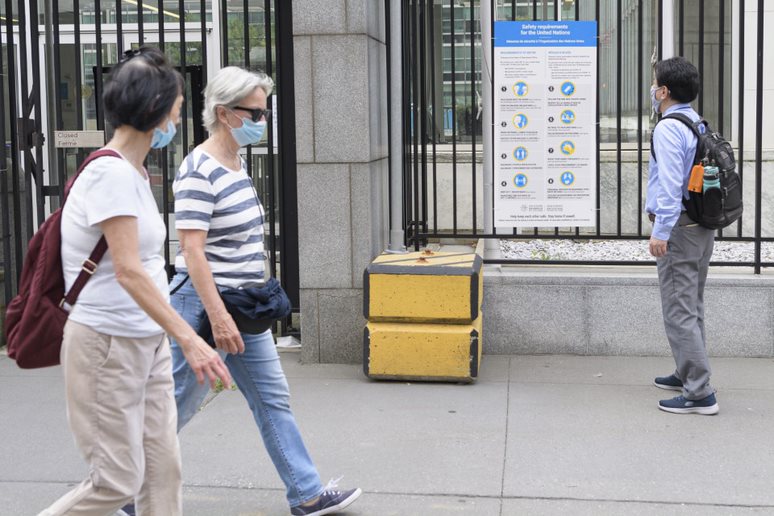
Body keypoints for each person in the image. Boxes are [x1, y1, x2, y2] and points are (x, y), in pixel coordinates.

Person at [122, 66, 361, 516]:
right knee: (176, 405)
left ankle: (306, 494)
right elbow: (192, 251)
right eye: (255, 111)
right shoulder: (199, 169)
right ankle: (122, 493)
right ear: (224, 113)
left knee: (272, 399)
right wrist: (216, 317)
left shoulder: (237, 162)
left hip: (244, 307)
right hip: (209, 308)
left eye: (264, 110)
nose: (262, 119)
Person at [39, 47, 232, 516]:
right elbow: (128, 271)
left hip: (145, 342)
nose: (178, 119)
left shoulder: (135, 173)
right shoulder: (110, 175)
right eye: (178, 109)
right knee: (116, 481)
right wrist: (191, 339)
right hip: (107, 343)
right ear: (157, 111)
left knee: (162, 473)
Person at [646, 56, 719, 416]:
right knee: (692, 305)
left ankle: (699, 393)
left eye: (655, 82)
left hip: (680, 228)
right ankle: (685, 371)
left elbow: (672, 184)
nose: (653, 87)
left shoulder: (668, 128)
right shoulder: (694, 121)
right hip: (700, 225)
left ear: (664, 91)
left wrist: (660, 232)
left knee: (678, 309)